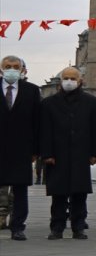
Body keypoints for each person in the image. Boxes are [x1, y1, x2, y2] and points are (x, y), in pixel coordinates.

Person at [41, 67, 96, 239]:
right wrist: (47, 154)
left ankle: (78, 226)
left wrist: (94, 153)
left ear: (80, 80)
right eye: (66, 78)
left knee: (79, 193)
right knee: (58, 194)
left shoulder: (90, 101)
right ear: (60, 81)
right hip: (57, 155)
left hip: (81, 153)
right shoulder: (49, 103)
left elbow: (95, 128)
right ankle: (57, 227)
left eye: (72, 78)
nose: (69, 81)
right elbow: (45, 131)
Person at [0, 55, 42, 240]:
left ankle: (18, 226)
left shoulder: (31, 91)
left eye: (15, 66)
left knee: (20, 189)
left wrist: (36, 149)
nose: (11, 69)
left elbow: (37, 122)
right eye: (7, 66)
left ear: (22, 70)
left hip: (22, 148)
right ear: (1, 68)